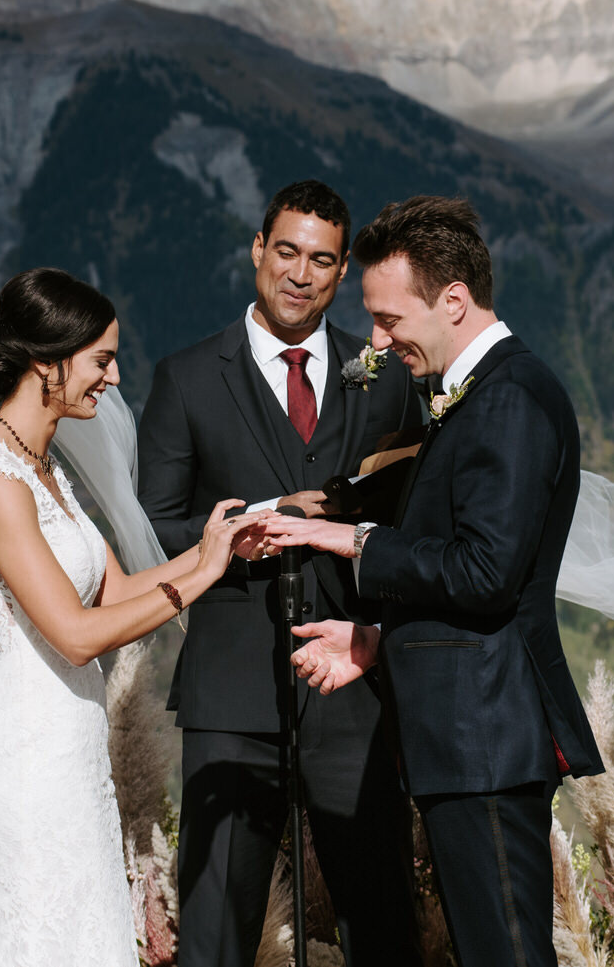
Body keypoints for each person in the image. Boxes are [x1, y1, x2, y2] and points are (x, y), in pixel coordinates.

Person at [261, 196, 608, 967]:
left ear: (454, 300)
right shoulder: (477, 396)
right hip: (466, 734)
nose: (378, 343)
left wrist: (356, 540)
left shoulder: (510, 398)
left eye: (390, 320)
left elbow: (485, 572)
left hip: (485, 736)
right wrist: (378, 641)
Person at [0, 267, 273, 967]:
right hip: (26, 756)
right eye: (101, 360)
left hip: (71, 748)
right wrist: (201, 577)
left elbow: (115, 591)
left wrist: (218, 547)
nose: (113, 380)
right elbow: (77, 635)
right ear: (45, 362)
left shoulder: (45, 468)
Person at [137, 181, 424, 967]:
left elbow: (412, 522)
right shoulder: (188, 377)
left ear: (340, 275)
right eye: (288, 251)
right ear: (258, 251)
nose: (301, 273)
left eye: (322, 260)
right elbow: (148, 530)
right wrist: (249, 525)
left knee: (381, 920)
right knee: (216, 933)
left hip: (354, 687)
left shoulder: (388, 376)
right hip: (231, 694)